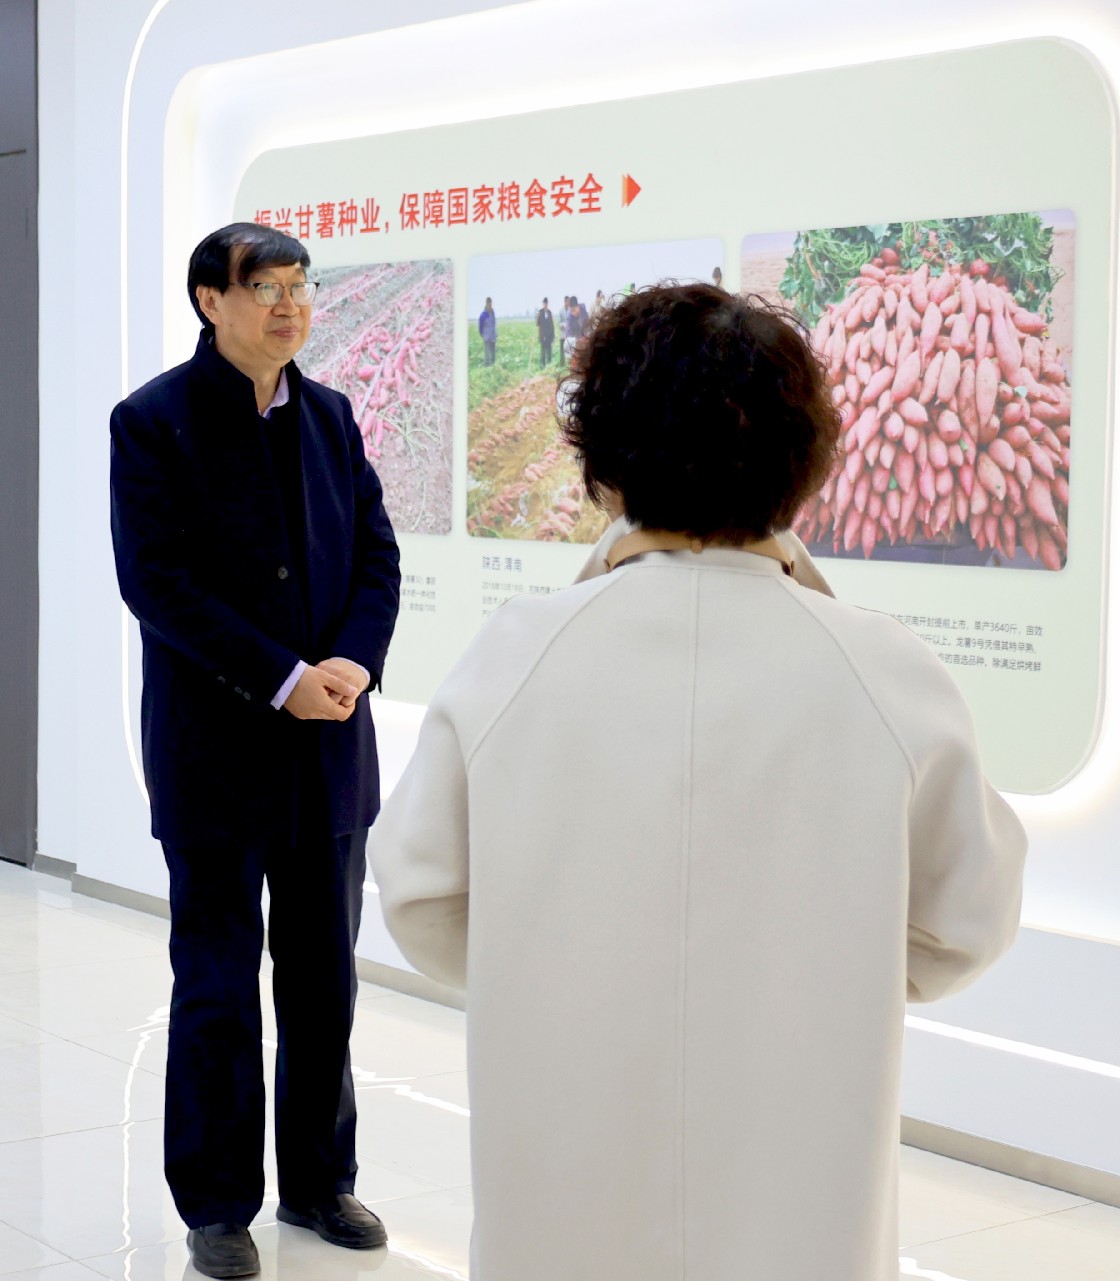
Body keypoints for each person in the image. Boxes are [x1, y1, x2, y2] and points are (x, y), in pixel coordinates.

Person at [368, 283, 1026, 1281]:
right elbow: (964, 923)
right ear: (803, 462)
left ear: (604, 461)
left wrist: (543, 957)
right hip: (802, 1184)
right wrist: (827, 966)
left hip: (564, 1159)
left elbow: (421, 898)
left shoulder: (517, 656)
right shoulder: (885, 673)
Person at [110, 222, 401, 1280]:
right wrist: (284, 678)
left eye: (301, 286)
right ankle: (218, 1203)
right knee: (218, 986)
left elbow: (377, 557)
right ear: (210, 300)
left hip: (330, 751)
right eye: (266, 286)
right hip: (216, 754)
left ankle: (320, 1181)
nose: (290, 305)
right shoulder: (152, 420)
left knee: (324, 981)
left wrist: (353, 662)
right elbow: (157, 583)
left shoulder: (330, 415)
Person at [477, 295, 497, 367]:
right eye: (489, 304)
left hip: (493, 336)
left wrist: (495, 334)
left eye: (491, 304)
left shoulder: (492, 313)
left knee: (493, 353)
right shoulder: (483, 315)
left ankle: (493, 366)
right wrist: (483, 335)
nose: (490, 305)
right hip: (487, 337)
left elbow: (494, 324)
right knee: (487, 353)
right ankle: (487, 366)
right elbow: (480, 327)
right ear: (486, 304)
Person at [535, 297, 555, 367]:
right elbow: (537, 324)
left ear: (547, 304)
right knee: (543, 352)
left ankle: (549, 366)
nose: (545, 305)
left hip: (549, 336)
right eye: (544, 303)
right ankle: (542, 366)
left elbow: (552, 325)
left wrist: (553, 335)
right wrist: (537, 316)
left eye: (546, 303)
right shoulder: (540, 312)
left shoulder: (549, 312)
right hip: (542, 336)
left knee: (549, 352)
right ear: (543, 304)